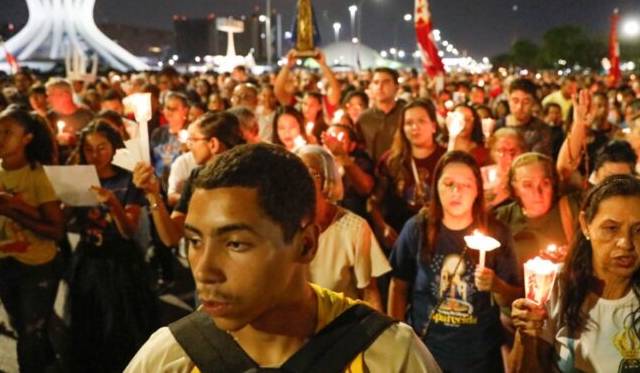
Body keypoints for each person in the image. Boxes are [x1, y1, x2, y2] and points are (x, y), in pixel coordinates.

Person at [126, 143, 440, 372]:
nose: (205, 270)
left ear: (305, 244)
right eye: (194, 241)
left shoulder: (389, 356)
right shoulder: (168, 359)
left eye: (235, 244)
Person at [509, 175, 640, 373]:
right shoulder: (556, 284)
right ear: (586, 225)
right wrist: (525, 336)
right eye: (611, 228)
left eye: (639, 230)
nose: (626, 243)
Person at [389, 150, 520, 372]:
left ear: (478, 190)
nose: (456, 191)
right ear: (436, 187)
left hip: (479, 357)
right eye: (448, 183)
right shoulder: (417, 229)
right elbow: (398, 287)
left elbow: (514, 297)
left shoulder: (498, 233)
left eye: (466, 185)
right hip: (425, 352)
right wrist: (397, 339)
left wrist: (497, 286)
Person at [0, 106, 65, 373]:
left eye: (8, 132)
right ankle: (47, 359)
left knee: (29, 335)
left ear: (27, 137)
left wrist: (13, 209)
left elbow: (55, 230)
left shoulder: (39, 175)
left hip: (37, 265)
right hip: (1, 262)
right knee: (21, 324)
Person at [68, 120, 159, 372]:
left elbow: (129, 231)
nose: (95, 155)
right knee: (90, 327)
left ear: (115, 148)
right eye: (88, 149)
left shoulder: (128, 181)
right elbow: (63, 221)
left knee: (120, 328)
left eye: (102, 147)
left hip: (119, 264)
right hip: (88, 260)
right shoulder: (80, 177)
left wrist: (112, 203)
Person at [295, 145, 390, 311]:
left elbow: (369, 295)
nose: (301, 180)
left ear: (327, 180)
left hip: (339, 330)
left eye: (311, 173)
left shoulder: (354, 229)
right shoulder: (280, 226)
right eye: (296, 172)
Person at [134, 111, 242, 247]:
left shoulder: (245, 179)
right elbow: (171, 237)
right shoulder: (197, 177)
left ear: (213, 144)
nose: (189, 146)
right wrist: (153, 194)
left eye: (193, 140)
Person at [370, 99, 446, 250]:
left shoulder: (446, 158)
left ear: (433, 126)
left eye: (421, 121)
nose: (414, 127)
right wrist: (382, 227)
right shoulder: (390, 161)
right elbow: (373, 203)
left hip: (438, 237)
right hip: (400, 238)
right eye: (409, 123)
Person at [493, 152, 580, 275]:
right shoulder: (502, 217)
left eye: (545, 183)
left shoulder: (571, 208)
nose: (537, 192)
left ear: (553, 183)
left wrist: (573, 258)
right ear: (516, 189)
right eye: (527, 185)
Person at [498, 78, 556, 158]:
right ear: (508, 99)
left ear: (533, 102)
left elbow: (538, 161)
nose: (519, 107)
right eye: (515, 101)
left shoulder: (541, 130)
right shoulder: (498, 125)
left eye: (526, 102)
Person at [357, 68, 405, 161]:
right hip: (373, 172)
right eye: (376, 82)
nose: (380, 87)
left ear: (396, 87)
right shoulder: (364, 118)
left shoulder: (406, 114)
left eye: (386, 82)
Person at [484, 127, 527, 208]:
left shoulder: (528, 178)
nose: (508, 157)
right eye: (502, 151)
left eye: (513, 152)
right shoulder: (483, 176)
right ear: (492, 153)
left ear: (522, 152)